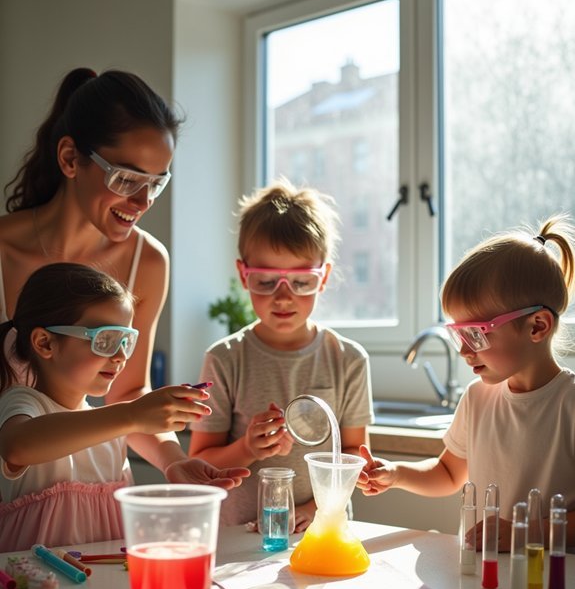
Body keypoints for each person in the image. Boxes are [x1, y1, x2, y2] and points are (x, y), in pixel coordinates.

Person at [1, 67, 248, 491]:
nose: (143, 201)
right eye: (128, 179)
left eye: (157, 183)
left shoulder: (147, 262)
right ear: (69, 159)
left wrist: (173, 462)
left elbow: (128, 393)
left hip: (92, 494)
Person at [357, 215, 575, 550]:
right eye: (458, 333)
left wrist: (529, 533)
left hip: (552, 584)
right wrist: (397, 473)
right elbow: (447, 473)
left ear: (537, 327)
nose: (462, 350)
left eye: (476, 334)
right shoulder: (478, 398)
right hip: (480, 574)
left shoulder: (569, 404)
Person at [188, 178, 374, 529]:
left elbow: (353, 456)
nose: (284, 297)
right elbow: (200, 462)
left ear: (323, 277)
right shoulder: (224, 359)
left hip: (322, 529)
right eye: (266, 280)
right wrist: (247, 447)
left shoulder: (348, 359)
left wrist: (315, 508)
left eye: (301, 281)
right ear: (243, 275)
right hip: (240, 535)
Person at [0, 263, 222, 551]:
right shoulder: (22, 403)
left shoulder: (110, 426)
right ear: (45, 343)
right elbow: (19, 445)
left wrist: (176, 463)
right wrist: (131, 414)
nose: (120, 356)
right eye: (105, 340)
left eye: (126, 341)